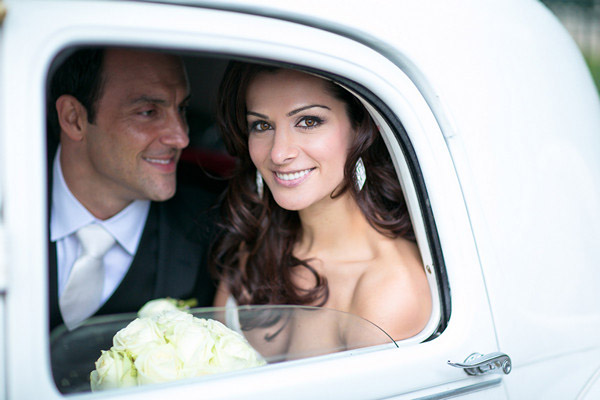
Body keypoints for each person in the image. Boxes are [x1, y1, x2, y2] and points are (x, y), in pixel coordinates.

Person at [211, 62, 431, 341]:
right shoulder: (252, 251)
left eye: (308, 121)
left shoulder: (391, 289)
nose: (278, 153)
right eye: (262, 125)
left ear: (362, 129)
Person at [47, 47, 217, 331]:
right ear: (74, 118)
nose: (182, 137)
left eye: (182, 109)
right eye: (148, 112)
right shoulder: (10, 200)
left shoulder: (214, 232)